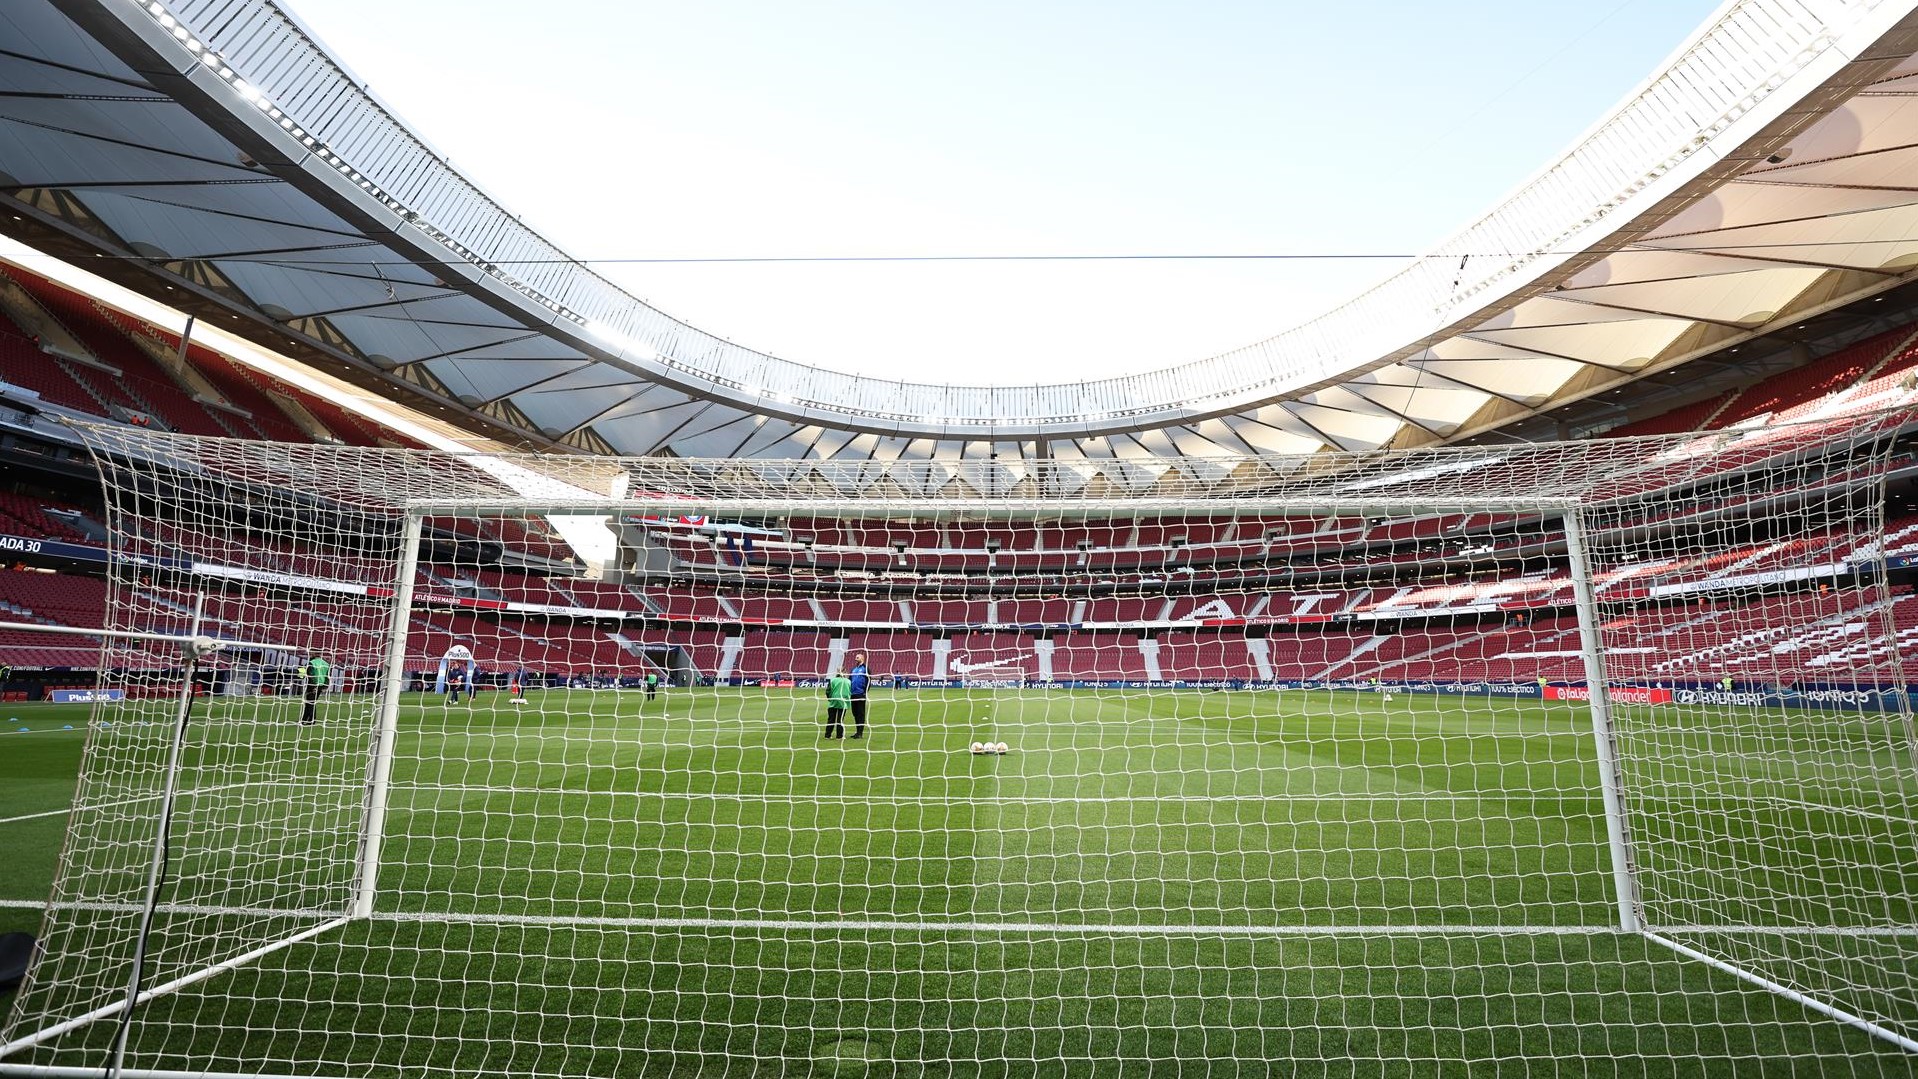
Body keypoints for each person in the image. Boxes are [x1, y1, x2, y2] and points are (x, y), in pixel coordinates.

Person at [300, 654, 330, 726]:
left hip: (313, 684)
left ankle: (312, 720)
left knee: (310, 702)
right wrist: (325, 686)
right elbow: (327, 676)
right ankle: (304, 719)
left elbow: (309, 675)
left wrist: (313, 686)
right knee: (310, 702)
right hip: (321, 685)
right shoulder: (326, 663)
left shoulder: (311, 663)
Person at [848, 651, 870, 739]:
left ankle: (860, 733)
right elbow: (850, 680)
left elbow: (869, 681)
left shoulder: (865, 668)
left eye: (858, 657)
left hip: (860, 694)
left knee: (860, 713)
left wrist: (865, 691)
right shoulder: (853, 669)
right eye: (856, 657)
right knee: (855, 713)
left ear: (862, 658)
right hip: (853, 694)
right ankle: (857, 732)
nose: (856, 658)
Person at [823, 669, 851, 739]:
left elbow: (828, 691)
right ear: (845, 673)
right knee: (840, 720)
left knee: (831, 719)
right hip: (843, 702)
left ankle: (827, 735)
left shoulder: (833, 680)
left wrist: (830, 699)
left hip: (833, 702)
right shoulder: (848, 681)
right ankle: (839, 736)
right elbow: (850, 692)